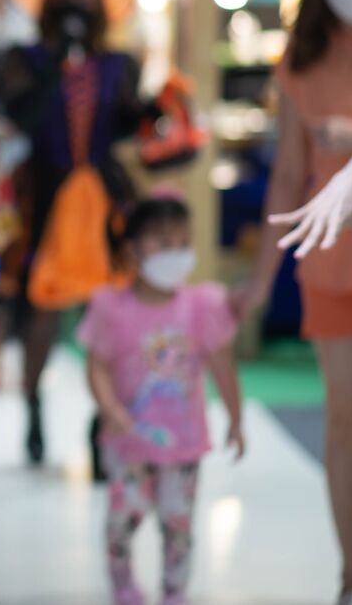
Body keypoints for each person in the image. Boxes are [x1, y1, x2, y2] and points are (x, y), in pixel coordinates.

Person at [233, 0, 352, 605]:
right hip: (330, 261)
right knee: (343, 419)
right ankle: (348, 571)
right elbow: (286, 176)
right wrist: (259, 279)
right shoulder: (302, 65)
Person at [3, 0, 145, 465]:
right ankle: (33, 408)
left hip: (104, 198)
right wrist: (56, 65)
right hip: (45, 198)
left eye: (86, 5)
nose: (75, 12)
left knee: (107, 311)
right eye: (66, 4)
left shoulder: (119, 64)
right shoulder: (26, 60)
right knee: (40, 310)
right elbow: (20, 115)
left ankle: (102, 421)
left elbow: (128, 124)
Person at [79, 195, 243, 605]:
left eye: (182, 243)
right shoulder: (110, 307)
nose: (175, 253)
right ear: (132, 248)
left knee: (179, 523)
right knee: (121, 521)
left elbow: (223, 365)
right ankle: (123, 588)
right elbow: (96, 365)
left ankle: (175, 592)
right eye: (162, 242)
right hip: (127, 442)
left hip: (183, 445)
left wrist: (236, 419)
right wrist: (109, 410)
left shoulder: (201, 306)